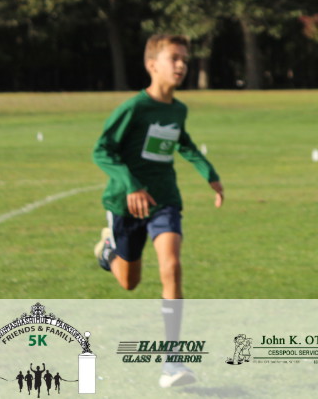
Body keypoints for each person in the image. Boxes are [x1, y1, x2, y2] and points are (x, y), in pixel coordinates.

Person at [92, 34, 225, 388]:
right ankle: (108, 252)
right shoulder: (134, 108)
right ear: (152, 65)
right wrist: (131, 185)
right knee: (129, 282)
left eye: (185, 59)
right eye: (174, 58)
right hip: (126, 204)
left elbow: (183, 142)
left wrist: (209, 174)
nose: (181, 65)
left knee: (172, 265)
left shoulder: (177, 110)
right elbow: (102, 151)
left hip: (164, 200)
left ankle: (172, 360)